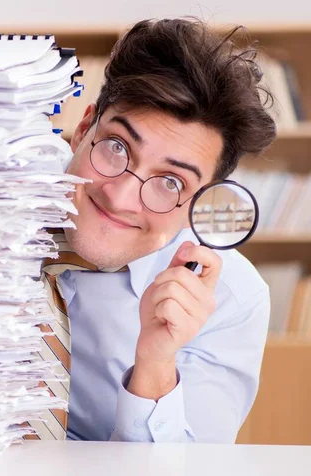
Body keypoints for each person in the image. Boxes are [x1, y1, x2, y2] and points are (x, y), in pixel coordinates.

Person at [51, 18, 276, 443]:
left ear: (197, 203)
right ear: (83, 130)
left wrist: (155, 364)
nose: (120, 198)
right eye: (116, 147)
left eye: (170, 183)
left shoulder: (232, 298)